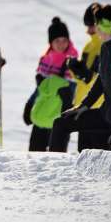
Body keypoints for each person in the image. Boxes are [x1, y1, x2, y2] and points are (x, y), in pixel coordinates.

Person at [49, 5, 111, 152]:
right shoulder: (105, 46)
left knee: (99, 161)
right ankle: (54, 169)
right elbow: (101, 80)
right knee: (61, 123)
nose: (94, 29)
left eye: (97, 25)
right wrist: (84, 105)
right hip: (105, 113)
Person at [23, 17, 78, 151]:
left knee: (56, 158)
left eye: (64, 40)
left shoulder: (72, 61)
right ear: (50, 42)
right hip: (42, 115)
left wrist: (68, 106)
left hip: (58, 116)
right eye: (57, 40)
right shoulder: (46, 60)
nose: (61, 44)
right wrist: (30, 104)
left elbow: (74, 88)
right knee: (35, 154)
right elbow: (40, 89)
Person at [66, 2, 111, 152]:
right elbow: (85, 77)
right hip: (84, 108)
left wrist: (82, 72)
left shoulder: (105, 46)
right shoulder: (88, 46)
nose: (88, 30)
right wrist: (75, 69)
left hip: (98, 110)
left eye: (90, 25)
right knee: (83, 157)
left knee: (101, 157)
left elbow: (97, 78)